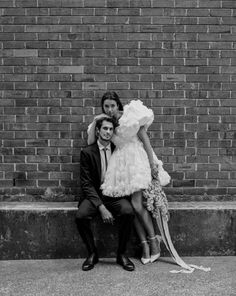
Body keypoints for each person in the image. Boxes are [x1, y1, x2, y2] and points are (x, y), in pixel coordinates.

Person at [87, 91, 162, 264]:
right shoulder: (106, 123)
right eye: (106, 106)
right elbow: (91, 142)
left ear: (118, 105)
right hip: (119, 167)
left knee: (137, 204)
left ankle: (154, 241)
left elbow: (145, 140)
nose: (110, 109)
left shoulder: (131, 114)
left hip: (136, 161)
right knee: (129, 206)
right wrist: (94, 120)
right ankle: (144, 244)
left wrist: (152, 163)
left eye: (112, 105)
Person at [76, 116, 135, 272]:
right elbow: (86, 184)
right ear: (97, 131)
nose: (108, 132)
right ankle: (92, 253)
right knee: (80, 216)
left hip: (114, 195)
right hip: (95, 195)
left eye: (110, 129)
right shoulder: (87, 153)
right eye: (105, 128)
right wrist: (101, 207)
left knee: (128, 212)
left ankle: (121, 254)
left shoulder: (119, 150)